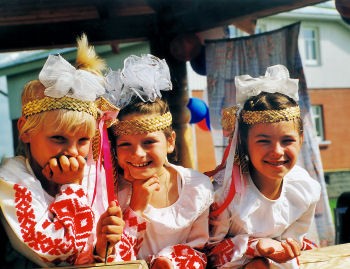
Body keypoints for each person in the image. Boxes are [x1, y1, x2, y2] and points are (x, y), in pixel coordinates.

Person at [0, 34, 124, 268]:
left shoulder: (90, 176)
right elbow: (57, 251)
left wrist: (101, 245)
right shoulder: (11, 179)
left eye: (83, 140)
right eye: (58, 138)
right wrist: (71, 187)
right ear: (24, 130)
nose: (72, 152)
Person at [104, 54, 214, 269]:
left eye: (148, 142)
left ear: (170, 141)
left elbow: (199, 252)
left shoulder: (197, 186)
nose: (138, 154)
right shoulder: (110, 193)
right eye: (126, 144)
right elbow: (113, 259)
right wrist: (135, 207)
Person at [206, 65, 321, 269]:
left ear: (301, 139)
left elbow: (293, 242)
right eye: (264, 141)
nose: (277, 151)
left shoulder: (306, 189)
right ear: (243, 142)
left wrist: (279, 251)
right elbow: (210, 254)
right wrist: (256, 248)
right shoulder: (223, 194)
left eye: (287, 140)